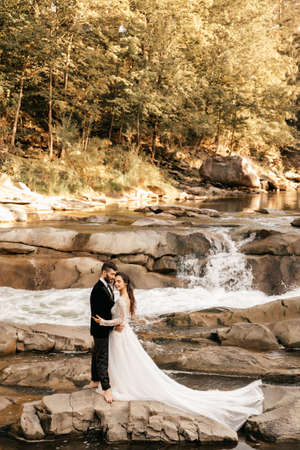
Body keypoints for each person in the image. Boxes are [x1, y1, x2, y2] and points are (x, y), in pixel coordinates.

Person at [92, 272, 264, 432]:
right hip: (121, 334)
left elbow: (121, 320)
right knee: (124, 362)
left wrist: (103, 322)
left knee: (123, 361)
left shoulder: (122, 299)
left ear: (126, 283)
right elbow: (127, 319)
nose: (115, 283)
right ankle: (118, 384)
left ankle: (121, 386)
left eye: (119, 281)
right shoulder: (125, 296)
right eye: (115, 281)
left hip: (120, 335)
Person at [88, 261, 120, 404]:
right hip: (100, 328)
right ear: (104, 273)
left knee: (97, 353)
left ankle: (95, 380)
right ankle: (106, 389)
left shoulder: (106, 286)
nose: (113, 277)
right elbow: (104, 313)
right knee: (102, 358)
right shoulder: (98, 289)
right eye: (112, 274)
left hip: (102, 327)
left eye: (114, 274)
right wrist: (113, 326)